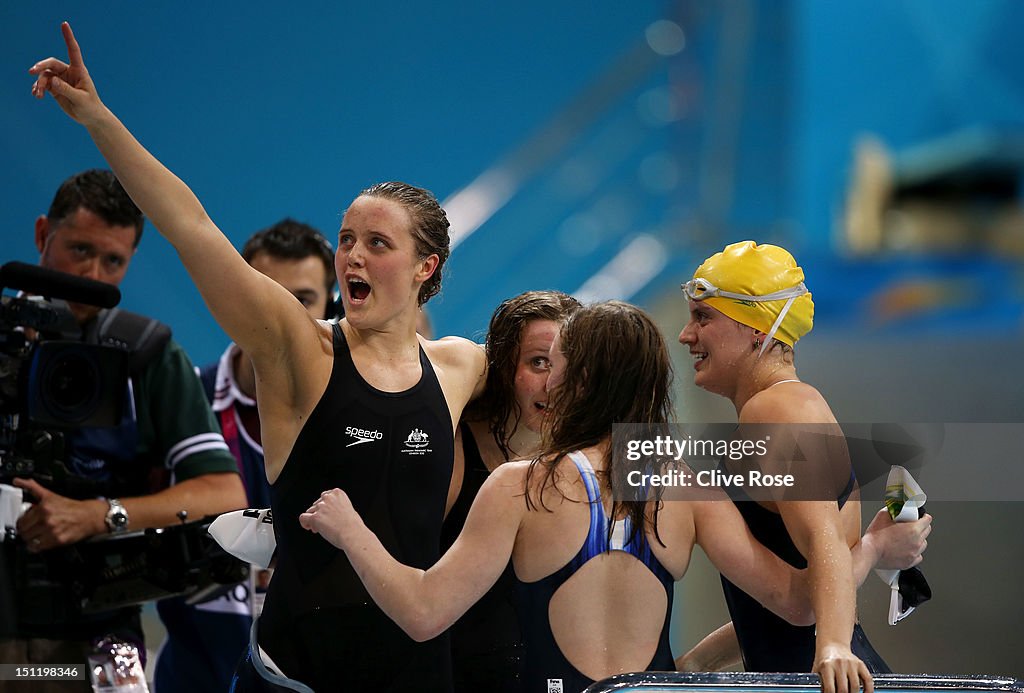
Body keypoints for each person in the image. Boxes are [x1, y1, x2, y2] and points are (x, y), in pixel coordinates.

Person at [30, 23, 486, 691]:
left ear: (426, 265)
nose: (353, 254)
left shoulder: (460, 366)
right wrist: (98, 118)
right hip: (293, 678)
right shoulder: (301, 348)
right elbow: (192, 227)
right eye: (347, 239)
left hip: (414, 675)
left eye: (378, 243)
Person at [300, 301, 847, 693]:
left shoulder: (520, 485)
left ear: (578, 379)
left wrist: (352, 532)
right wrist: (864, 549)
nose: (546, 380)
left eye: (553, 364)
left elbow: (423, 613)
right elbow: (799, 604)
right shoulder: (682, 485)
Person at [0, 168, 246, 687]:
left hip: (102, 642)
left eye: (113, 260)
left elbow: (224, 492)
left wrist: (101, 515)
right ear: (44, 235)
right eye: (80, 250)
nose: (92, 275)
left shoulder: (147, 356)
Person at [674, 241, 932, 676]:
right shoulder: (783, 408)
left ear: (757, 328)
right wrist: (698, 662)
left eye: (704, 316)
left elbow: (821, 545)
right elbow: (795, 594)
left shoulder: (780, 408)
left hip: (820, 679)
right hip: (805, 674)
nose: (686, 334)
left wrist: (832, 646)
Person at [153, 219, 336, 693]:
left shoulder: (362, 421)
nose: (278, 315)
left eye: (302, 300)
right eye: (263, 293)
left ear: (332, 305)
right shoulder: (181, 402)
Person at [443, 289, 580, 692]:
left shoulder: (598, 456)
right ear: (504, 368)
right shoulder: (453, 447)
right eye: (538, 363)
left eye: (569, 365)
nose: (554, 384)